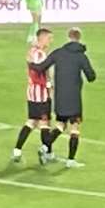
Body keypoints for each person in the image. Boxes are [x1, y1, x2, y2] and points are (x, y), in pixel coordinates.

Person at [36, 27, 96, 169]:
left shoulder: (58, 53)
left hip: (60, 95)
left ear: (68, 37)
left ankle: (45, 147)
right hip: (74, 97)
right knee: (74, 127)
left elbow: (42, 67)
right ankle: (71, 160)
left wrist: (31, 64)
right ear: (79, 37)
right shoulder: (81, 56)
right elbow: (91, 76)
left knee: (60, 125)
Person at [13, 28, 59, 165]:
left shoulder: (32, 51)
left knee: (32, 121)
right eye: (49, 38)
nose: (51, 41)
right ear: (42, 38)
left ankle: (17, 150)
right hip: (41, 93)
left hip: (32, 91)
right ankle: (47, 151)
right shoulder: (40, 54)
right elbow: (39, 73)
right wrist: (50, 86)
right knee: (45, 123)